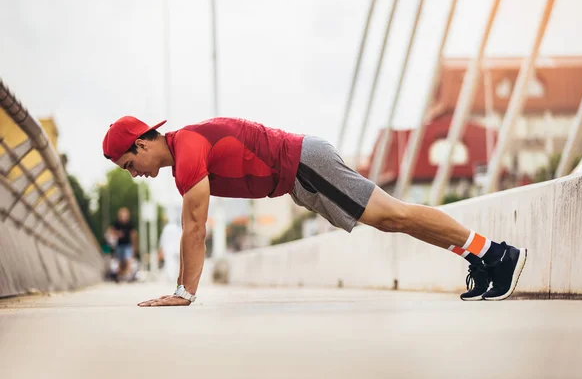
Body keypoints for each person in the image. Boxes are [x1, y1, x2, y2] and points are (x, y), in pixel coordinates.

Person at [102, 116, 527, 307]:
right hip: (300, 172)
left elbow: (195, 229)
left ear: (140, 144)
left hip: (305, 163)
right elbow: (189, 228)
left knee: (392, 215)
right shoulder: (183, 152)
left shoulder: (188, 149)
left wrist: (183, 293)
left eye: (128, 165)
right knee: (392, 219)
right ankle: (483, 257)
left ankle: (495, 254)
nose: (134, 174)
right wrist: (180, 289)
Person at [106, 207, 137, 282]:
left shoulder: (130, 224)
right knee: (120, 261)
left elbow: (133, 234)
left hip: (128, 245)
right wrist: (117, 234)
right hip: (119, 245)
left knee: (128, 260)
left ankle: (128, 276)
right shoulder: (117, 223)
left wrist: (134, 246)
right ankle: (118, 276)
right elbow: (110, 231)